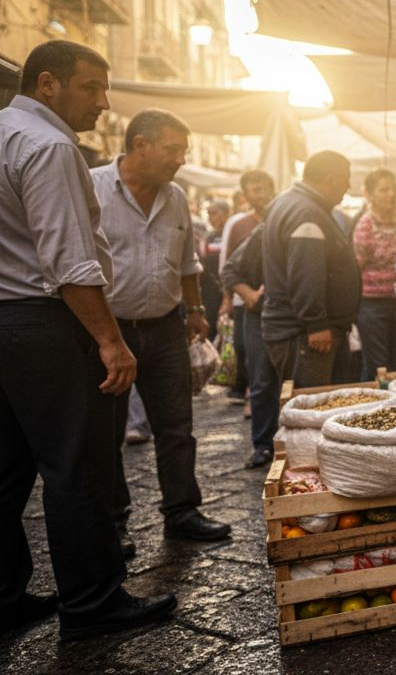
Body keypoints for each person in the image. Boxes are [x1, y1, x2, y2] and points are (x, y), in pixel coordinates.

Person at [0, 39, 175, 640]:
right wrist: (110, 340)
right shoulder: (48, 145)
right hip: (43, 323)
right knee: (79, 466)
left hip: (4, 322)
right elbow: (70, 260)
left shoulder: (2, 132)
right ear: (48, 84)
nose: (104, 102)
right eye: (92, 87)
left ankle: (3, 596)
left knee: (8, 468)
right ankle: (93, 602)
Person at [91, 108, 233, 554]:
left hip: (166, 328)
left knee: (177, 426)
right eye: (173, 149)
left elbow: (188, 261)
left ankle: (182, 512)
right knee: (106, 431)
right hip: (109, 333)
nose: (179, 159)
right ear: (140, 146)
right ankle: (113, 522)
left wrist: (194, 309)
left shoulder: (175, 197)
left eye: (183, 151)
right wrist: (105, 338)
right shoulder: (91, 187)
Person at [260, 151, 361, 388]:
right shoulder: (307, 213)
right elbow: (306, 273)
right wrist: (316, 324)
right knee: (310, 410)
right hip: (305, 336)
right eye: (346, 179)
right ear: (330, 179)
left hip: (300, 331)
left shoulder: (291, 202)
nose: (347, 186)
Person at [220, 226, 280, 469]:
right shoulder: (264, 233)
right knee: (262, 379)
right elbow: (230, 271)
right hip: (260, 316)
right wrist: (250, 295)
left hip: (291, 316)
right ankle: (263, 444)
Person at [352, 168, 396, 380]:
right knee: (378, 365)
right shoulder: (364, 226)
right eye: (384, 189)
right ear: (369, 195)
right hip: (373, 307)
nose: (391, 194)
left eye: (393, 189)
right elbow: (356, 269)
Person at [219, 170, 275, 405]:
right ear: (245, 194)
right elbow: (227, 263)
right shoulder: (237, 223)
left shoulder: (279, 217)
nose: (262, 194)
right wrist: (228, 299)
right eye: (256, 189)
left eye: (265, 188)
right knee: (247, 351)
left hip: (272, 301)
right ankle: (252, 395)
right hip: (246, 301)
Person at [199, 199, 230, 344]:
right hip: (211, 290)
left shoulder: (232, 234)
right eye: (209, 214)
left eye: (214, 213)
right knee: (211, 324)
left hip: (230, 289)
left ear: (226, 214)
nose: (211, 218)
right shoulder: (208, 237)